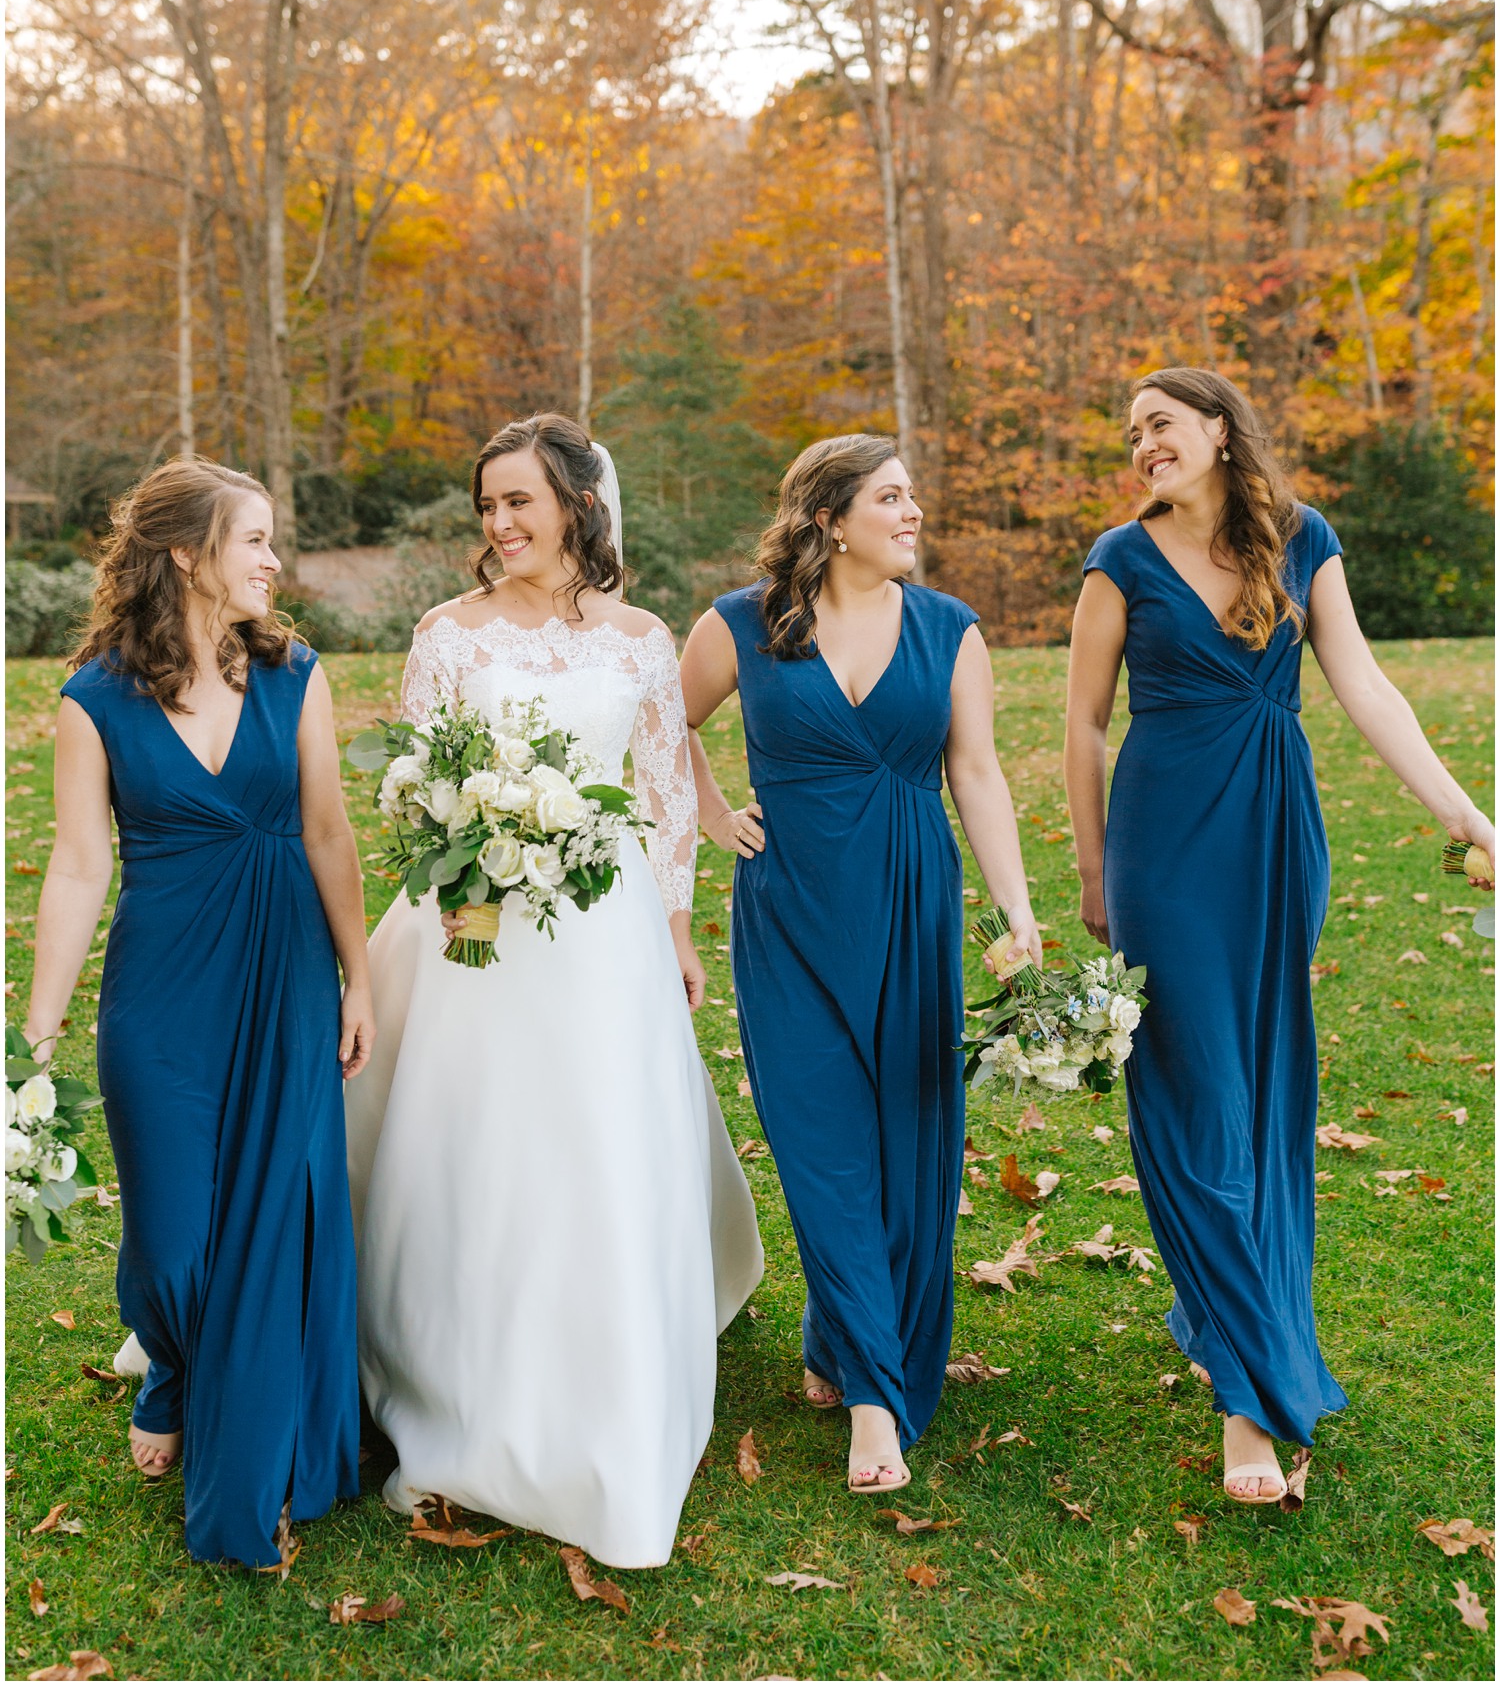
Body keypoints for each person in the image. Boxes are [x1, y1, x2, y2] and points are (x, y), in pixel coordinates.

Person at [1066, 367, 1496, 1502]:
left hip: (1275, 835)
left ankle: (1222, 1308)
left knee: (1259, 1086)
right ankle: (1248, 1402)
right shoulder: (1118, 559)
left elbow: (1363, 684)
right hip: (1161, 845)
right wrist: (1091, 866)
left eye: (1159, 422)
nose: (1142, 442)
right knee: (1195, 1086)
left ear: (1217, 427)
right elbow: (1082, 722)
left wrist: (1462, 809)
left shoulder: (1302, 538)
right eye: (1131, 431)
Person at [344, 413, 762, 1569]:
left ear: (577, 503)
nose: (501, 523)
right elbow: (419, 790)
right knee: (476, 1146)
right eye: (487, 505)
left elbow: (665, 789)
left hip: (605, 928)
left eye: (520, 501)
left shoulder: (638, 640)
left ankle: (604, 1390)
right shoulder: (448, 636)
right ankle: (450, 1374)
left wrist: (675, 930)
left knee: (595, 1146)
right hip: (475, 925)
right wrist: (465, 870)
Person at [24, 459, 372, 1567]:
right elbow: (80, 869)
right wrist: (35, 1038)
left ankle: (254, 1477)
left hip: (286, 981)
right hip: (161, 993)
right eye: (256, 538)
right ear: (187, 552)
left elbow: (328, 833)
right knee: (174, 1243)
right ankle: (172, 1359)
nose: (276, 560)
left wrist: (359, 975)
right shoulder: (95, 698)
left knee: (274, 1229)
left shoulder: (297, 674)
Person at [679, 434, 1041, 1496]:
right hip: (789, 906)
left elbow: (976, 773)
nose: (914, 510)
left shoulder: (949, 629)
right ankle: (878, 1398)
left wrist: (1017, 909)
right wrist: (708, 810)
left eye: (912, 493)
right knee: (822, 1135)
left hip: (911, 903)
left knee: (907, 1134)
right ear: (832, 517)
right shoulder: (740, 623)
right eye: (891, 496)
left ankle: (843, 1336)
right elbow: (659, 721)